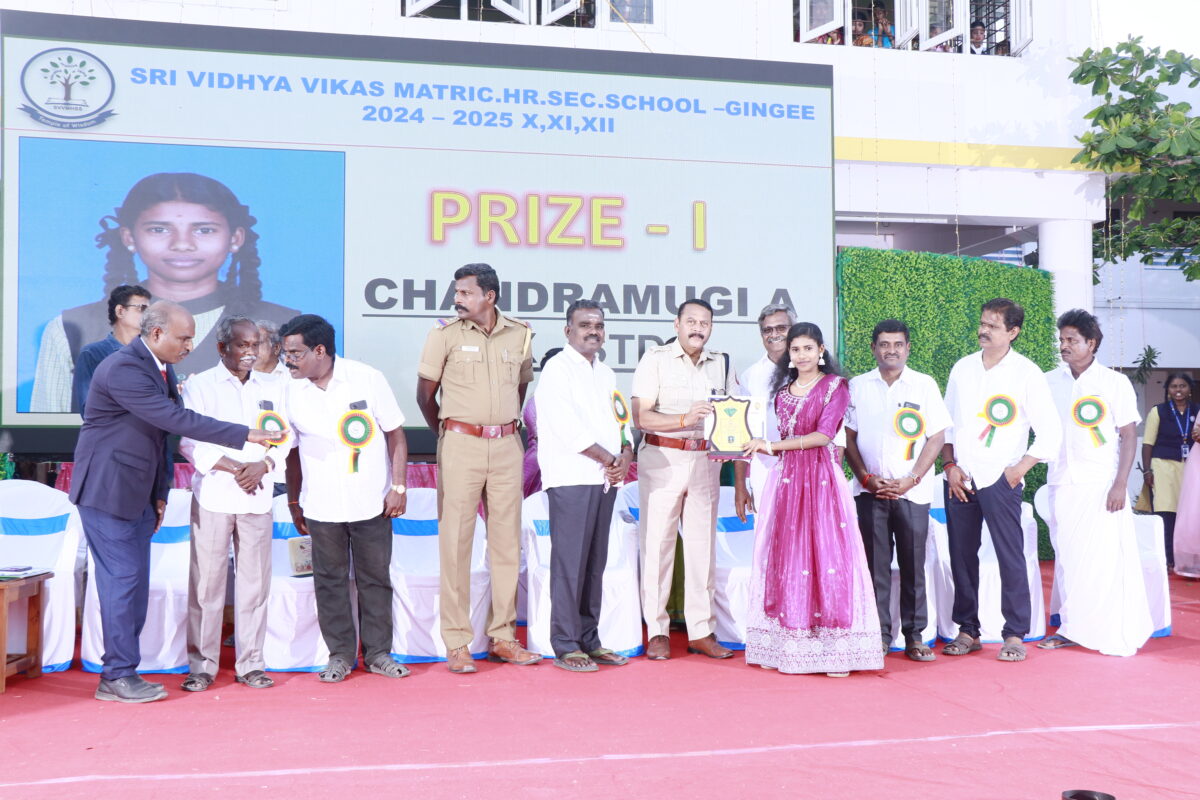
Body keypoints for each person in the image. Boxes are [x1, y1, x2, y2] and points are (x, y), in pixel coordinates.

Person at [69, 301, 280, 703]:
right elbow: (174, 420)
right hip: (108, 492)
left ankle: (122, 672)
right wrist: (244, 434)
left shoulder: (158, 368)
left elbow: (157, 440)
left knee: (133, 585)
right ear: (156, 334)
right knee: (121, 584)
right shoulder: (125, 368)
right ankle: (116, 675)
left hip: (137, 493)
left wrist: (160, 493)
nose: (189, 346)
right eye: (183, 338)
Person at [31, 172, 298, 412]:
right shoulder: (73, 328)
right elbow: (47, 430)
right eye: (159, 229)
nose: (182, 244)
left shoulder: (286, 326)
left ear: (235, 238)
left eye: (204, 230)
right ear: (129, 237)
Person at [416, 263, 541, 673]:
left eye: (466, 292)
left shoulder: (520, 334)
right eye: (457, 292)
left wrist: (500, 424)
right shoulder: (444, 334)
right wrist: (449, 432)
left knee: (507, 543)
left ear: (489, 296)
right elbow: (425, 395)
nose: (458, 299)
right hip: (461, 444)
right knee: (456, 544)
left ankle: (503, 637)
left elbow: (520, 388)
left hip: (506, 445)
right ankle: (457, 641)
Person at [741, 323, 883, 676]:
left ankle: (835, 651)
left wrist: (769, 446)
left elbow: (823, 435)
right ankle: (789, 644)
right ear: (788, 355)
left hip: (821, 482)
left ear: (821, 350)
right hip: (788, 482)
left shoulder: (835, 387)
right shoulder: (782, 393)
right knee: (788, 556)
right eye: (795, 349)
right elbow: (781, 438)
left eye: (808, 348)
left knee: (828, 556)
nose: (802, 355)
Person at [282, 313, 410, 683]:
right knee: (329, 581)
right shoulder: (288, 389)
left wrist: (398, 486)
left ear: (320, 351)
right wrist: (294, 501)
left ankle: (378, 654)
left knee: (375, 579)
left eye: (295, 353)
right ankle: (339, 655)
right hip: (320, 504)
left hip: (372, 501)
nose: (288, 361)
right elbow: (291, 453)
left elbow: (395, 433)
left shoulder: (367, 378)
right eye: (285, 353)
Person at [940, 298, 1061, 662]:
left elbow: (1050, 432)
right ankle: (968, 630)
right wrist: (949, 466)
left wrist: (1017, 471)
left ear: (1013, 332)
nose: (983, 330)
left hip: (1002, 479)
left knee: (1010, 556)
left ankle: (1014, 633)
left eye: (992, 326)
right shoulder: (962, 368)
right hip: (961, 477)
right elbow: (946, 425)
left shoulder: (1027, 373)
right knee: (962, 557)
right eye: (982, 323)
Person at [178, 316, 290, 691]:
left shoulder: (274, 386)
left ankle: (251, 664)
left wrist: (264, 465)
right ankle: (202, 666)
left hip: (257, 495)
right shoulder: (200, 386)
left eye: (255, 345)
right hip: (214, 494)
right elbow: (189, 439)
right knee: (206, 586)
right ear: (222, 347)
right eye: (243, 345)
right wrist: (236, 468)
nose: (250, 352)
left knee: (255, 585)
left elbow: (286, 436)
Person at [630, 298, 739, 661]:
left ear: (711, 328)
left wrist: (737, 437)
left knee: (701, 547)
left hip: (705, 461)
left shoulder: (722, 363)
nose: (697, 328)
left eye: (704, 323)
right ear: (676, 324)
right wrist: (684, 419)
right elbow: (641, 418)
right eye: (691, 321)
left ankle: (701, 631)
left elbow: (734, 414)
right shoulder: (655, 359)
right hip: (663, 458)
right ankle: (657, 631)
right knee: (657, 545)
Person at [1039, 309, 1152, 656]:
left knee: (1102, 559)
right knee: (1067, 556)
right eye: (1061, 339)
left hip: (1101, 485)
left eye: (1072, 340)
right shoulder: (1048, 382)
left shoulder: (1114, 383)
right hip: (1061, 481)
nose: (1064, 345)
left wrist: (1120, 484)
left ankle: (1101, 625)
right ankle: (1072, 625)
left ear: (1091, 343)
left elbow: (1128, 435)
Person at [534, 300, 634, 672]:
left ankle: (590, 640)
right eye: (585, 325)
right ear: (568, 331)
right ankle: (565, 645)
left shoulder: (605, 372)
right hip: (571, 478)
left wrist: (626, 453)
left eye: (599, 325)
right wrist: (609, 459)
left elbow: (622, 420)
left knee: (594, 564)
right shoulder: (557, 370)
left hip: (604, 481)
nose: (593, 331)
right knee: (569, 565)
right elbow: (566, 426)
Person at [844, 319, 950, 662]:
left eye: (898, 344)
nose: (891, 350)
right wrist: (865, 478)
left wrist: (912, 479)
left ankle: (915, 636)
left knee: (913, 567)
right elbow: (848, 437)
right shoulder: (857, 386)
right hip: (870, 492)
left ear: (908, 348)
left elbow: (936, 437)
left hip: (912, 493)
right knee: (875, 568)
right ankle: (878, 636)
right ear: (873, 348)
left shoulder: (924, 385)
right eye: (884, 344)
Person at [1141, 372, 1198, 569]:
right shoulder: (1158, 411)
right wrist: (1147, 471)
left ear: (1190, 389)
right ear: (1168, 390)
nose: (1178, 390)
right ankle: (1166, 558)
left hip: (1191, 468)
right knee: (1166, 513)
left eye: (1182, 386)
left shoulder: (1197, 410)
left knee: (1190, 513)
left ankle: (1186, 559)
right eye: (1174, 386)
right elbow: (1147, 443)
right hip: (1163, 467)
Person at [72, 284, 151, 414]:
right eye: (141, 309)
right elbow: (88, 409)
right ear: (120, 311)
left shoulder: (154, 354)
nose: (148, 315)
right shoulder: (93, 354)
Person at [522, 347, 563, 497]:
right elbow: (542, 437)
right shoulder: (536, 400)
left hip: (566, 462)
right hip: (539, 465)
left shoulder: (572, 399)